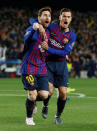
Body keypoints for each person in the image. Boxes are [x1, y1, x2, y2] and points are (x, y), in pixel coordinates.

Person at [31, 8, 76, 124]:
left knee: (63, 93)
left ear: (71, 19)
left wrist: (49, 49)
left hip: (61, 65)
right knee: (49, 92)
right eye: (64, 16)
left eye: (68, 17)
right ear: (60, 17)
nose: (66, 18)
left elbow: (64, 53)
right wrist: (37, 25)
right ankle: (42, 104)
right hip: (48, 63)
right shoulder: (52, 26)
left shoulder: (72, 36)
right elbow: (33, 21)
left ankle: (57, 116)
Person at [21, 7, 51, 126]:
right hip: (29, 67)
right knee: (33, 94)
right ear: (39, 18)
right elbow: (26, 39)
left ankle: (32, 102)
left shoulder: (50, 32)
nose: (47, 17)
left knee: (44, 95)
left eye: (49, 15)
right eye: (44, 15)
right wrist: (35, 27)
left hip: (41, 68)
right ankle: (29, 118)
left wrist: (47, 48)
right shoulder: (32, 28)